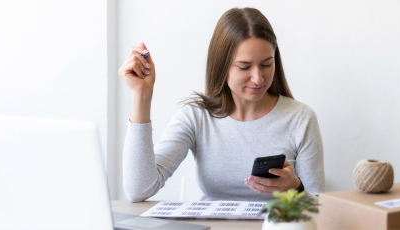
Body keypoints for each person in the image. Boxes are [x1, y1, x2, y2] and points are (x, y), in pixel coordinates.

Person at [119, 7, 325, 202]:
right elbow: (139, 189)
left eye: (266, 64)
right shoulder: (196, 117)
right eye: (244, 67)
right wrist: (141, 96)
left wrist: (295, 187)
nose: (258, 78)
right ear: (222, 66)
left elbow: (319, 209)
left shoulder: (300, 118)